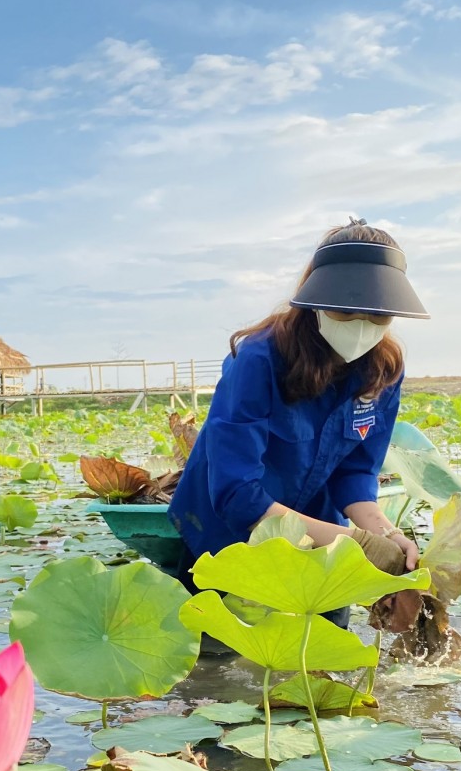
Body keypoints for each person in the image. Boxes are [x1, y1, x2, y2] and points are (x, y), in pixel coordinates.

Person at [169, 219, 428, 585]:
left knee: (327, 639)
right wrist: (356, 544)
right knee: (223, 639)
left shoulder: (382, 370)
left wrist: (387, 536)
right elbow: (237, 494)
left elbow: (354, 474)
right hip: (227, 537)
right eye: (344, 310)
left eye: (377, 315)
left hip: (319, 532)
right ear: (315, 300)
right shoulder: (259, 360)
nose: (360, 324)